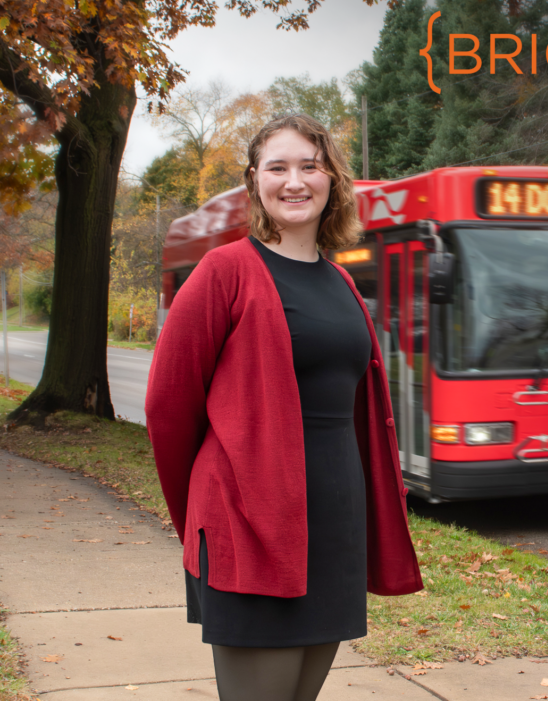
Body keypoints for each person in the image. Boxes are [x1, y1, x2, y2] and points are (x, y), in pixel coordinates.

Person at [145, 114, 422, 701]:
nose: (295, 181)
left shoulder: (341, 282)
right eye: (278, 167)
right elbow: (168, 409)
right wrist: (203, 522)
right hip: (251, 530)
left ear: (332, 181)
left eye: (310, 166)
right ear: (255, 181)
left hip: (333, 533)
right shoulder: (224, 272)